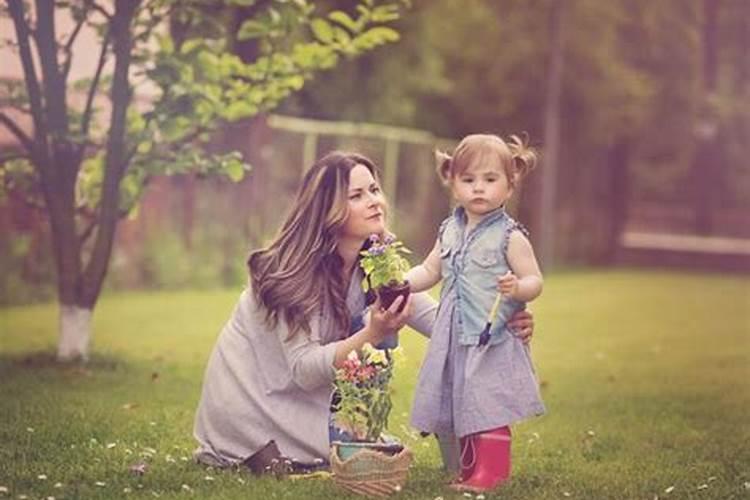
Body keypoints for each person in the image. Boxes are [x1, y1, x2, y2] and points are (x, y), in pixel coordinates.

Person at [192, 151, 535, 472]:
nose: (374, 201)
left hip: (303, 401)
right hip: (255, 408)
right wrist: (372, 334)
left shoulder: (375, 261)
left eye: (374, 189)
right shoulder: (291, 272)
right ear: (327, 210)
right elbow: (302, 370)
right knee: (366, 453)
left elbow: (441, 321)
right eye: (356, 196)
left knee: (374, 450)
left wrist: (500, 323)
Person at [406, 134, 545, 492]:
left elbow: (535, 280)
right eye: (468, 180)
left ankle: (492, 471)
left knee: (487, 400)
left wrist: (518, 288)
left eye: (490, 179)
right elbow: (428, 271)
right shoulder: (449, 230)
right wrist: (401, 282)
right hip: (454, 333)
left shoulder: (510, 237)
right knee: (460, 397)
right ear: (453, 184)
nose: (478, 188)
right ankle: (468, 468)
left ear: (510, 186)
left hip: (491, 333)